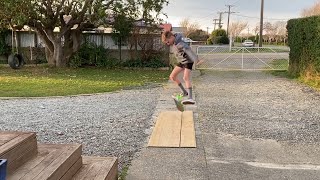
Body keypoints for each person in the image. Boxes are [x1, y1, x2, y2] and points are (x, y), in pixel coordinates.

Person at [161, 30, 201, 105]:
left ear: (171, 37)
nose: (167, 44)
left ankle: (190, 98)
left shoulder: (180, 43)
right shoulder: (174, 42)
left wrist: (196, 59)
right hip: (182, 61)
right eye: (166, 43)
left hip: (188, 61)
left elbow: (189, 50)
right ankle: (184, 92)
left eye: (168, 42)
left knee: (185, 78)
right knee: (172, 77)